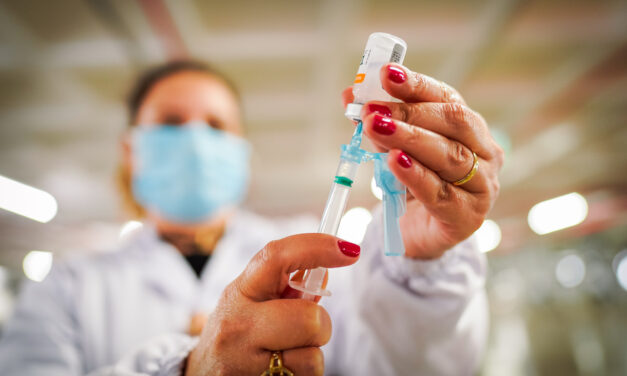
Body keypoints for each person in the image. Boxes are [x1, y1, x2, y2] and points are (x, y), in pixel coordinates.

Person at [0, 59, 504, 375]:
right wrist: (185, 371)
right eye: (172, 124)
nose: (197, 142)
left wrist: (420, 263)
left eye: (216, 126)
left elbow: (412, 368)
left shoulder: (313, 253)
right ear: (131, 151)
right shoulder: (67, 286)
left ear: (240, 151)